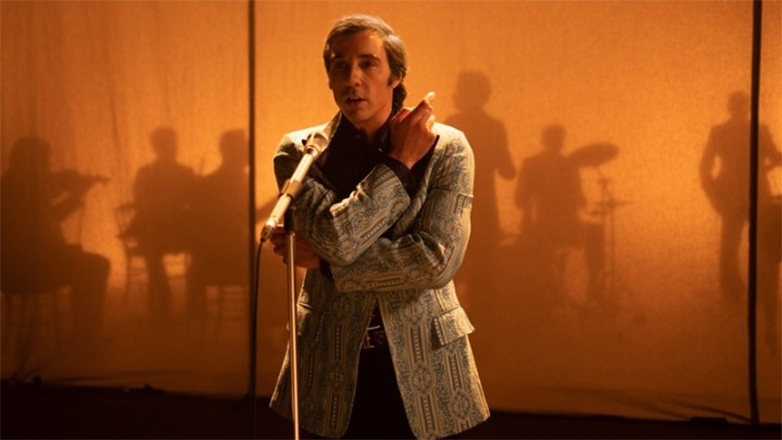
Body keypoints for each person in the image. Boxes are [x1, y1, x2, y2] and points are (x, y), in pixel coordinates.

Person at [268, 14, 489, 439]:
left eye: (368, 64)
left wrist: (328, 265)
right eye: (340, 65)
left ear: (396, 76)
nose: (353, 78)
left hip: (425, 355)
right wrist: (399, 162)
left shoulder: (449, 148)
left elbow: (435, 261)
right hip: (329, 357)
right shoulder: (300, 152)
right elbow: (338, 239)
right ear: (329, 78)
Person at [1, 136, 110, 347]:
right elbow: (34, 233)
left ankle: (86, 335)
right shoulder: (18, 189)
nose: (50, 166)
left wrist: (75, 197)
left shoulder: (19, 185)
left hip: (27, 263)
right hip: (26, 267)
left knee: (89, 264)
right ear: (30, 161)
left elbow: (50, 218)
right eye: (45, 161)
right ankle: (85, 337)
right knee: (95, 266)